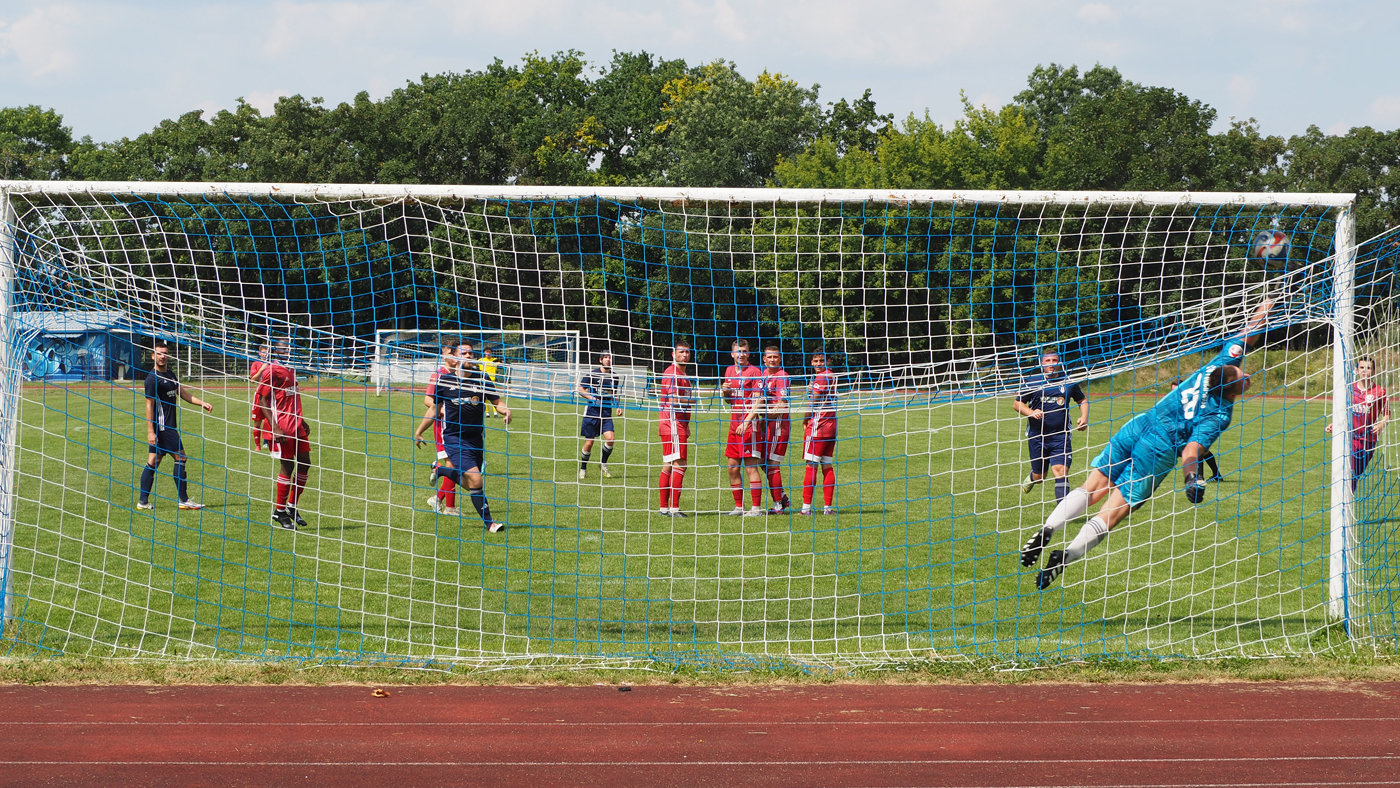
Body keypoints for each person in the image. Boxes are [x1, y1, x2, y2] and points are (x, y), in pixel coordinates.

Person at [1021, 297, 1275, 590]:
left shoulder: (1218, 366)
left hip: (1139, 425)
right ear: (1231, 392)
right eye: (1244, 378)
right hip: (1159, 449)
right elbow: (1191, 450)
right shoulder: (1220, 414)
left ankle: (1048, 528)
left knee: (1091, 488)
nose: (1248, 376)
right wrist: (1191, 479)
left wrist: (1266, 305)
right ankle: (1064, 557)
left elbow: (1249, 332)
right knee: (1112, 512)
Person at [414, 342, 511, 533]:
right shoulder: (445, 380)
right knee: (476, 479)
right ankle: (490, 523)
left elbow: (497, 402)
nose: (468, 356)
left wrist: (506, 410)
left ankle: (441, 470)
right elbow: (433, 409)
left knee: (472, 484)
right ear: (456, 357)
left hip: (476, 439)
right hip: (454, 438)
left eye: (470, 353)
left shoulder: (482, 378)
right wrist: (419, 431)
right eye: (464, 353)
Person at [138, 342, 214, 511]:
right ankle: (184, 500)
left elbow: (184, 394)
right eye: (159, 353)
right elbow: (149, 405)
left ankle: (143, 502)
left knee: (154, 460)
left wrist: (202, 403)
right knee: (181, 457)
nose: (162, 356)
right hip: (164, 427)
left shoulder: (171, 374)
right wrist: (150, 432)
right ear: (153, 356)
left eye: (165, 353)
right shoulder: (152, 379)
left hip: (166, 426)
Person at [254, 340, 313, 530]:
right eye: (284, 348)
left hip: (297, 425)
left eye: (289, 348)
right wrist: (275, 428)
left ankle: (292, 506)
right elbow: (262, 399)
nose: (288, 350)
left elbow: (291, 398)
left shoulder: (291, 369)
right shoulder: (272, 370)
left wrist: (302, 420)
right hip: (282, 427)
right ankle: (279, 511)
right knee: (287, 466)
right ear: (276, 350)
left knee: (305, 463)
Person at [1014, 350, 1088, 502]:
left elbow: (1082, 400)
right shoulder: (1033, 382)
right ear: (1041, 363)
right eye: (1047, 361)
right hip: (1037, 436)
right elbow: (1017, 404)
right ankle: (1032, 477)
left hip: (1061, 436)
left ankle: (1063, 512)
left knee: (1060, 471)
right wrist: (1031, 412)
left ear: (1059, 363)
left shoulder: (1068, 382)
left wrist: (1084, 418)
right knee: (1040, 476)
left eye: (1054, 360)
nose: (1051, 364)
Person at [1326, 356, 1390, 491]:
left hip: (1367, 440)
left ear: (1374, 371)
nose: (1364, 371)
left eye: (1368, 368)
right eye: (1361, 367)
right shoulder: (1349, 389)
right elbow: (1343, 411)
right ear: (1356, 370)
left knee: (1354, 476)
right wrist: (1334, 423)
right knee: (1346, 472)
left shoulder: (1380, 391)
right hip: (1349, 437)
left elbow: (1387, 414)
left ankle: (1348, 498)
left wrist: (1381, 425)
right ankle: (1343, 499)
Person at [722, 339, 766, 516]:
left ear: (749, 353)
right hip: (734, 425)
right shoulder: (729, 371)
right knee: (732, 467)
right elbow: (729, 400)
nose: (741, 354)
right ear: (732, 354)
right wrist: (725, 391)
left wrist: (746, 422)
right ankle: (739, 507)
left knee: (750, 467)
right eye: (738, 351)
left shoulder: (755, 372)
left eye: (744, 351)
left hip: (749, 426)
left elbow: (759, 401)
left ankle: (756, 508)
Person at [423, 339, 463, 515]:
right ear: (443, 355)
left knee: (459, 465)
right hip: (444, 427)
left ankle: (438, 496)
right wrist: (445, 411)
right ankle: (450, 507)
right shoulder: (440, 374)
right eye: (450, 353)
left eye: (456, 353)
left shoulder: (463, 374)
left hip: (461, 426)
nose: (454, 356)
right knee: (453, 464)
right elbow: (428, 400)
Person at [657, 341, 695, 517]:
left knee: (669, 464)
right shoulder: (672, 373)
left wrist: (686, 425)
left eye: (687, 352)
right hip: (672, 423)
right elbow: (672, 400)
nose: (685, 355)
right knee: (680, 464)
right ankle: (674, 509)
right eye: (681, 352)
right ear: (673, 354)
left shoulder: (684, 375)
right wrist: (695, 401)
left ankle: (664, 508)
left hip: (677, 424)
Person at [800, 352, 838, 515]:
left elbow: (813, 402)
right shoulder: (831, 375)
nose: (818, 363)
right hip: (832, 426)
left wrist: (804, 419)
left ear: (828, 361)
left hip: (818, 427)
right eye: (815, 360)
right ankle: (827, 508)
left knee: (811, 466)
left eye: (822, 360)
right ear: (811, 362)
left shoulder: (822, 377)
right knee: (827, 465)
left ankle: (806, 508)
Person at [577, 352, 621, 480]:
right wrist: (592, 398)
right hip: (592, 413)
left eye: (610, 357)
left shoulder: (614, 377)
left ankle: (603, 463)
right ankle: (583, 468)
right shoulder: (593, 374)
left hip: (606, 413)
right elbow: (580, 389)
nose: (608, 359)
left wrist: (618, 406)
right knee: (589, 443)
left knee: (610, 439)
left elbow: (613, 393)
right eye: (605, 357)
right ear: (600, 360)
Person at [1170, 376, 1223, 481]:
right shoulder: (1174, 401)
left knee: (1197, 450)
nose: (1174, 393)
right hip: (1185, 428)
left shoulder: (1192, 399)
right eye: (1173, 391)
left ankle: (1200, 477)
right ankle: (1216, 475)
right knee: (1204, 451)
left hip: (1197, 426)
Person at [760, 346, 793, 513]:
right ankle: (782, 496)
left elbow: (782, 404)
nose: (772, 360)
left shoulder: (782, 376)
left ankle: (778, 505)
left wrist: (765, 415)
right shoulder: (764, 375)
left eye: (775, 357)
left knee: (772, 463)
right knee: (761, 461)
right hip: (767, 424)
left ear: (780, 359)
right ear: (764, 359)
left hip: (778, 424)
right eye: (769, 357)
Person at [248, 343, 273, 452]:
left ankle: (267, 442)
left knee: (270, 419)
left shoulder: (274, 364)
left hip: (271, 395)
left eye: (267, 351)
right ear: (259, 353)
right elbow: (253, 379)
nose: (265, 354)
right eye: (263, 352)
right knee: (257, 421)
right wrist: (262, 369)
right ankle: (257, 445)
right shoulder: (256, 364)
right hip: (259, 395)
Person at [479, 346, 500, 417]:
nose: (488, 353)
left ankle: (495, 412)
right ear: (484, 353)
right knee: (485, 398)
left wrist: (501, 361)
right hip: (483, 380)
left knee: (494, 397)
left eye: (489, 352)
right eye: (486, 351)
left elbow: (504, 362)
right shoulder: (481, 360)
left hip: (492, 381)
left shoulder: (495, 360)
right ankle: (487, 412)